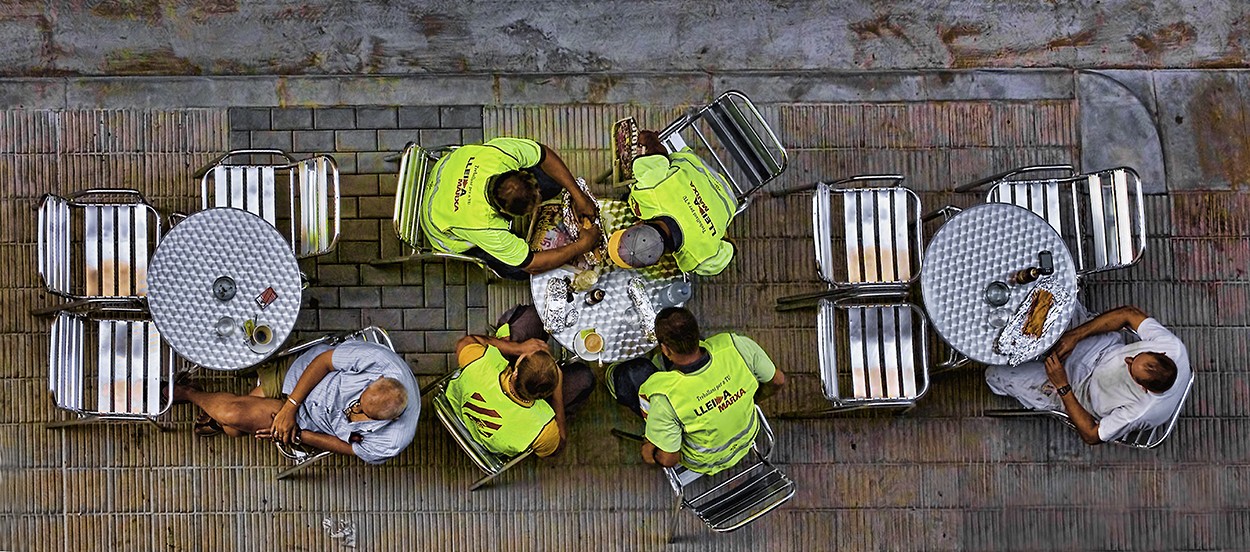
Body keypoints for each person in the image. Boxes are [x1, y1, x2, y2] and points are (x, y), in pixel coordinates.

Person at [175, 339, 420, 464]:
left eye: (365, 415)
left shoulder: (391, 442)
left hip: (308, 423)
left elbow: (348, 448)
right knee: (231, 426)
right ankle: (190, 394)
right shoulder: (377, 361)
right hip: (299, 379)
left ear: (394, 419)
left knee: (232, 422)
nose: (354, 411)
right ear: (376, 380)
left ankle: (193, 395)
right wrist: (290, 406)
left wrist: (297, 433)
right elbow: (324, 362)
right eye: (359, 402)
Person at [606, 307, 785, 475]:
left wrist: (649, 453)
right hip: (748, 436)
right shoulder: (736, 346)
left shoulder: (664, 396)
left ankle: (614, 379)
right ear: (697, 335)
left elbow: (669, 460)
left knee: (632, 374)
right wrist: (744, 400)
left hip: (705, 462)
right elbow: (778, 380)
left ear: (665, 349)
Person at [985, 305, 1191, 445]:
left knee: (994, 374)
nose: (1127, 360)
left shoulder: (1141, 411)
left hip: (1080, 390)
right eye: (1134, 356)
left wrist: (1062, 385)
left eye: (1130, 370)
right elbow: (1128, 314)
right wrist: (1076, 336)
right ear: (1161, 353)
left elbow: (1092, 435)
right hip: (1101, 348)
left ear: (1143, 388)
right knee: (1056, 293)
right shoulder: (1173, 348)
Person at [422, 136, 601, 280]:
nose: (539, 199)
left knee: (551, 182)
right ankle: (497, 266)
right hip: (438, 226)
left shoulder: (499, 156)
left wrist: (578, 195)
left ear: (517, 172)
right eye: (533, 206)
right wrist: (582, 245)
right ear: (505, 214)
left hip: (445, 172)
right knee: (518, 270)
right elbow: (533, 265)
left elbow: (544, 154)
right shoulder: (486, 226)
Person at [446, 305, 595, 457]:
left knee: (530, 318)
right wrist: (557, 393)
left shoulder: (481, 364)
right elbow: (559, 445)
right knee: (584, 379)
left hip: (456, 407)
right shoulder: (543, 427)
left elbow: (466, 342)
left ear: (515, 372)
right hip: (492, 444)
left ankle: (508, 329)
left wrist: (517, 348)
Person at [606, 130, 738, 276]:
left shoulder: (700, 260)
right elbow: (651, 143)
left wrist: (709, 223)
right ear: (638, 224)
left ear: (658, 261)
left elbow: (731, 248)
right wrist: (650, 139)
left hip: (729, 200)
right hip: (701, 175)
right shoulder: (649, 188)